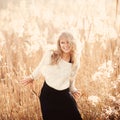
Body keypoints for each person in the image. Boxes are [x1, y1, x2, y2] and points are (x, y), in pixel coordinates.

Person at [20, 32, 82, 120]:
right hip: (48, 95)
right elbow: (40, 66)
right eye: (62, 42)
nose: (65, 45)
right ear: (59, 44)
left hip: (64, 95)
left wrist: (73, 90)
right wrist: (32, 77)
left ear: (73, 42)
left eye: (68, 42)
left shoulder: (75, 61)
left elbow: (71, 80)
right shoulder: (51, 54)